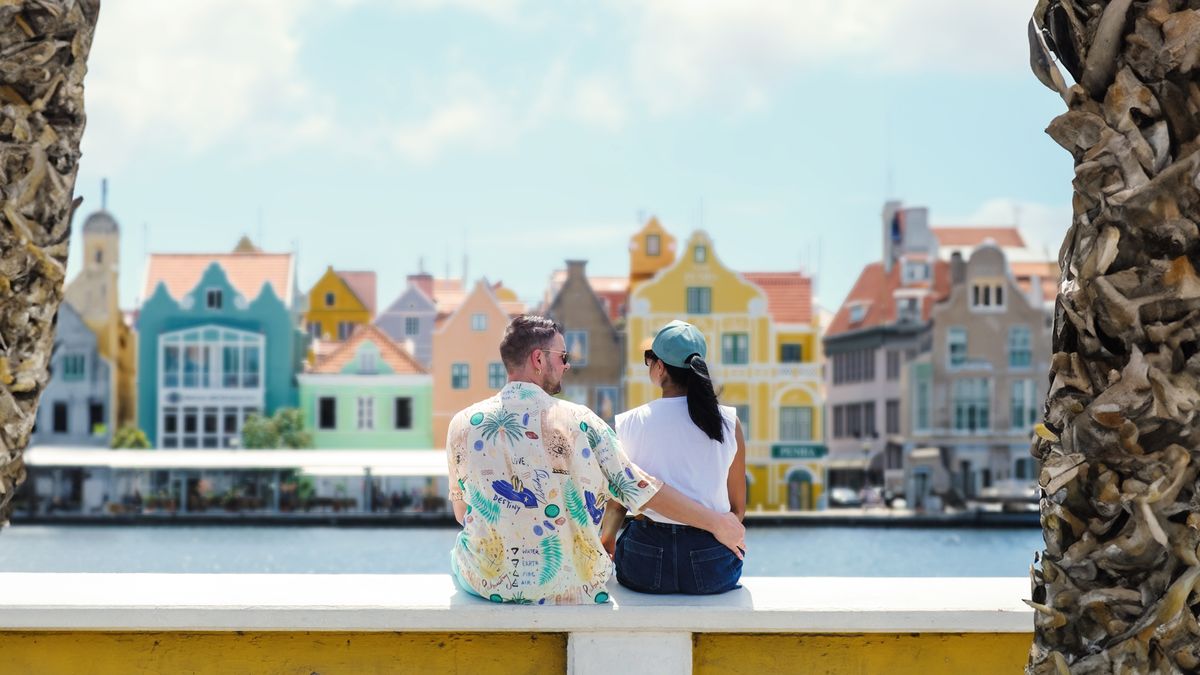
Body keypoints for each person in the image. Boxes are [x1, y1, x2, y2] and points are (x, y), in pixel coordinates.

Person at [447, 315, 746, 605]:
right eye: (563, 356)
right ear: (538, 360)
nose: (568, 365)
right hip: (568, 584)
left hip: (485, 581)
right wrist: (717, 524)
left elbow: (462, 513)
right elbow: (641, 489)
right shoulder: (583, 422)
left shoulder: (460, 424)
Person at [600, 320, 746, 595]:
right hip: (711, 563)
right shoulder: (729, 422)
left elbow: (618, 503)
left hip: (645, 559)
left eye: (649, 360)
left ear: (660, 368)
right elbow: (737, 509)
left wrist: (607, 541)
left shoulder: (629, 422)